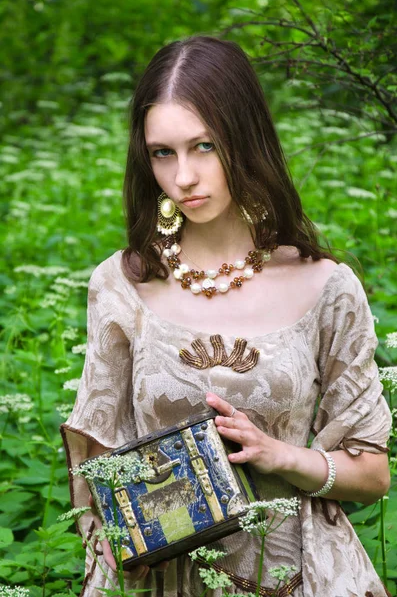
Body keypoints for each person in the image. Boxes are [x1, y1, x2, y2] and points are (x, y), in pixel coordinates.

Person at [61, 35, 392, 597]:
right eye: (162, 152)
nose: (183, 176)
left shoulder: (326, 286)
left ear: (245, 139)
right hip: (165, 577)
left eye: (204, 146)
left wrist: (282, 455)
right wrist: (117, 549)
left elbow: (373, 475)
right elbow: (96, 472)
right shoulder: (121, 285)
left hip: (297, 572)